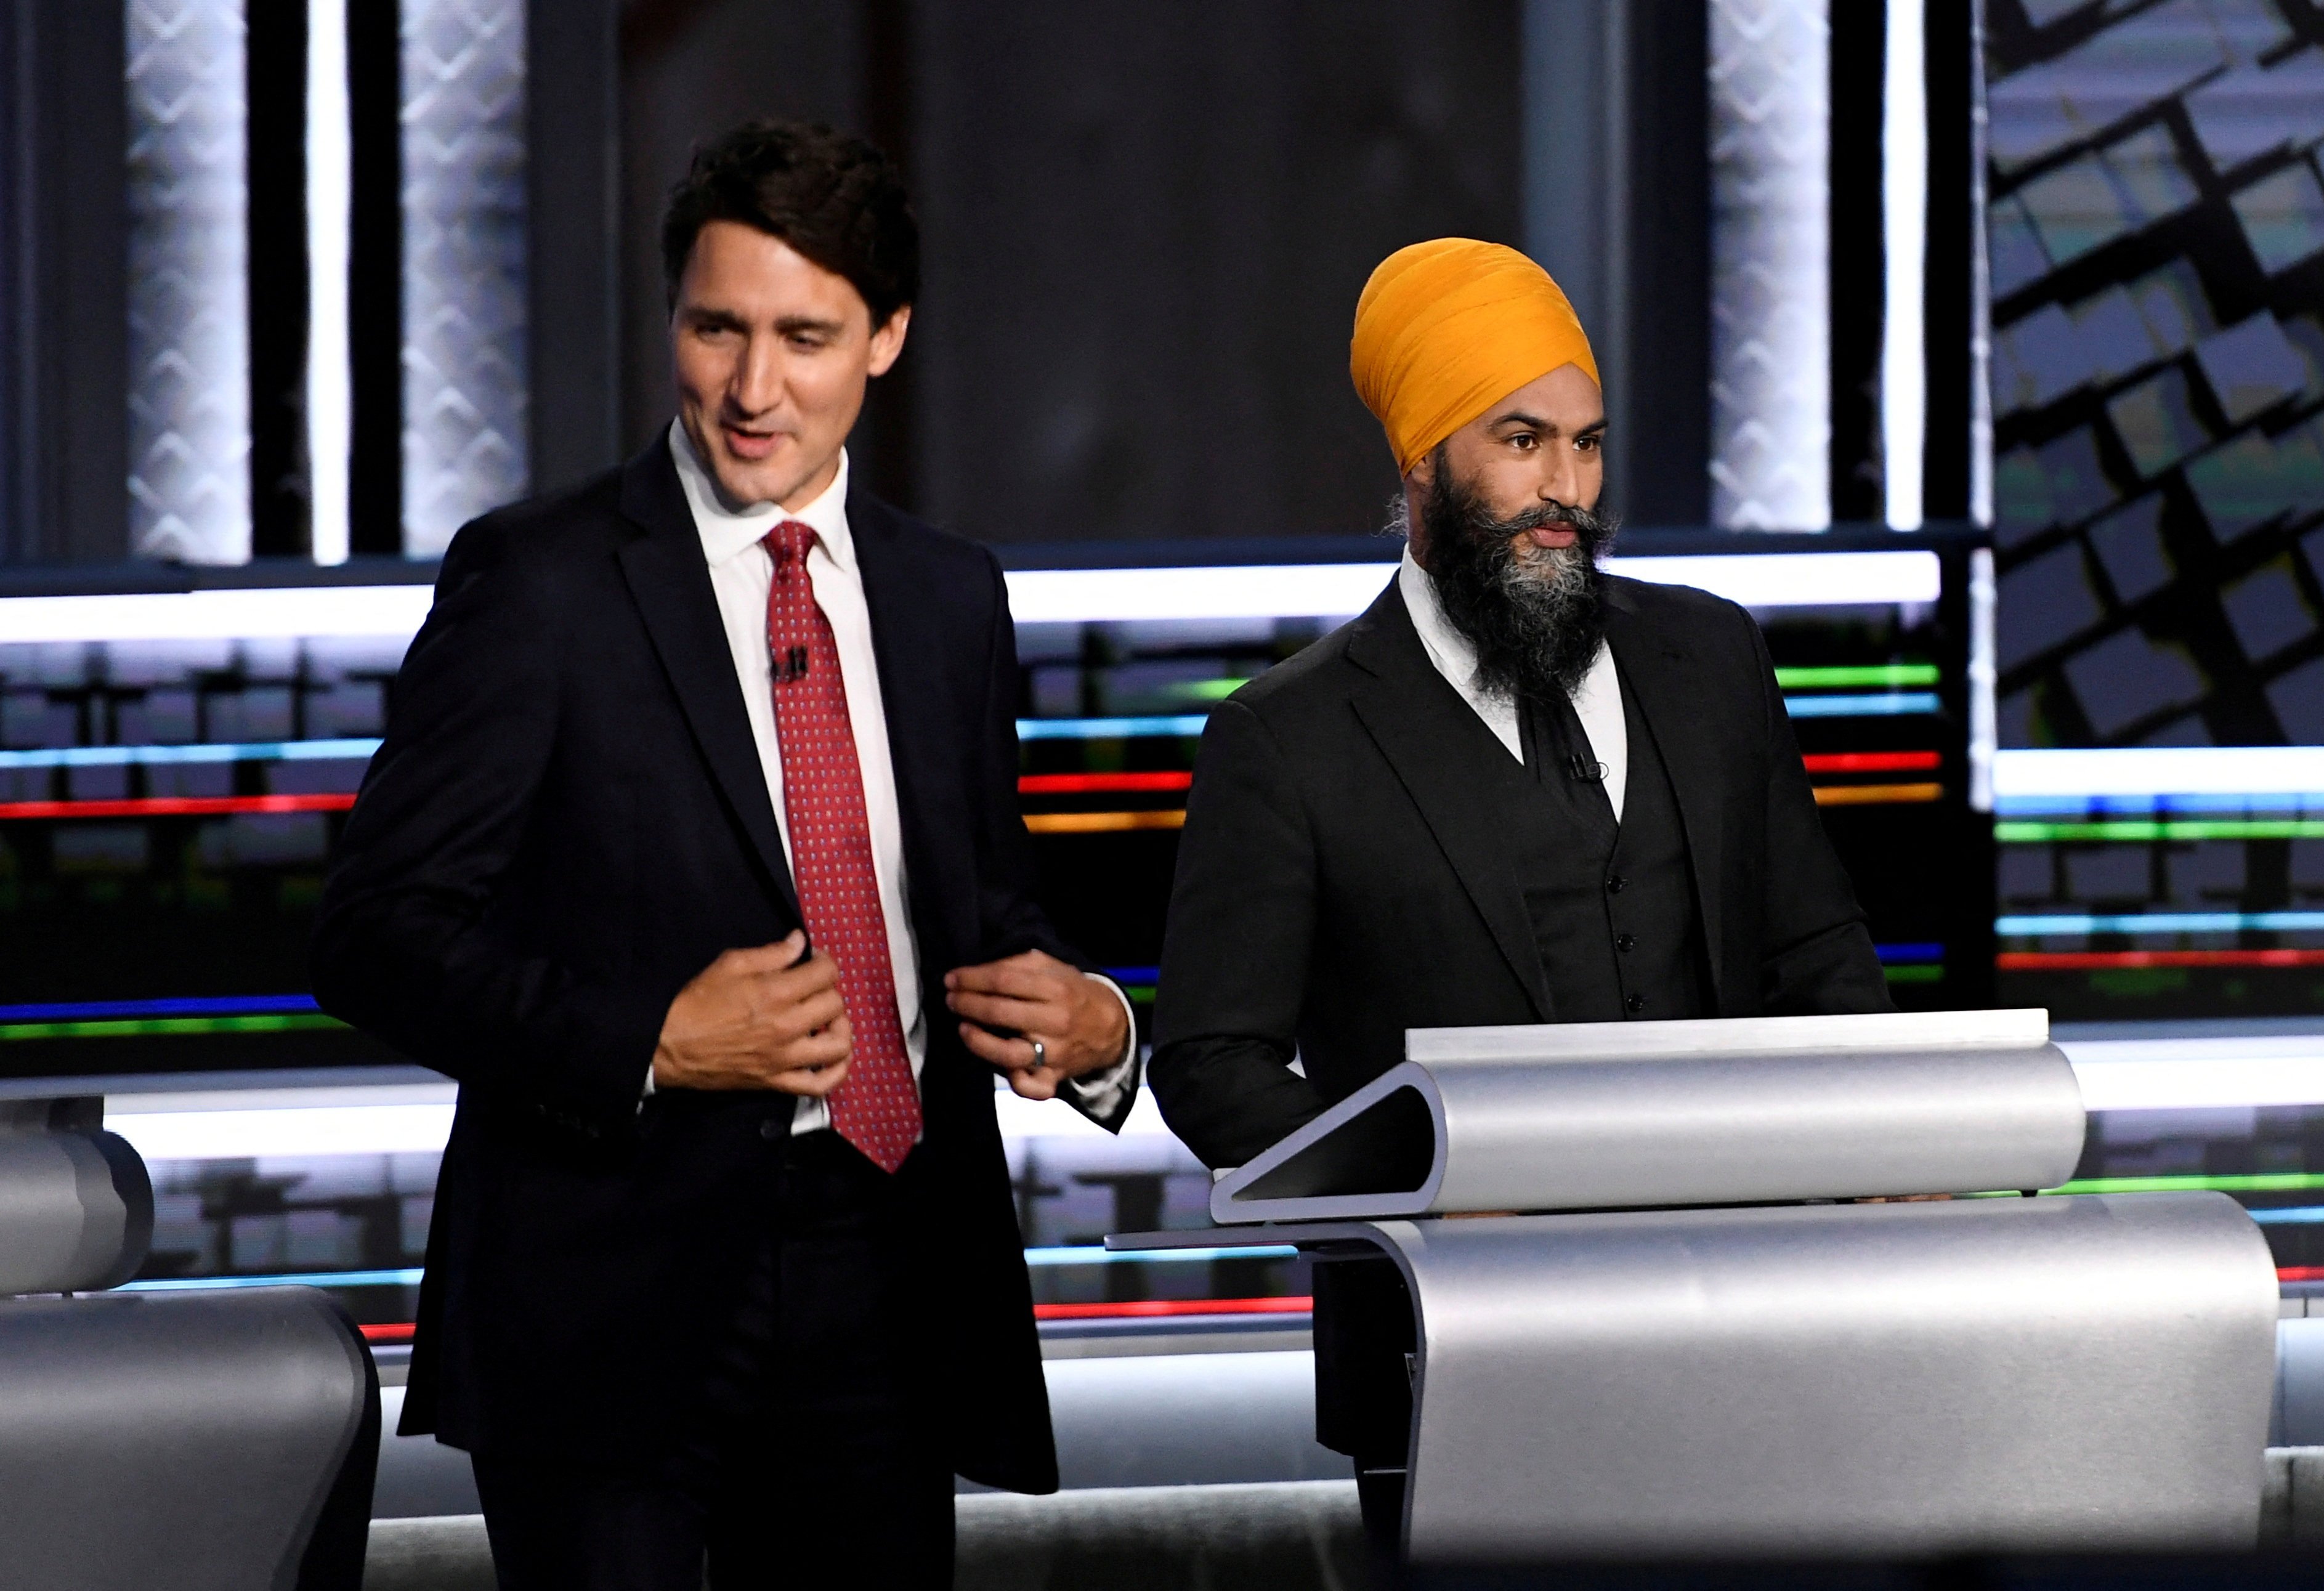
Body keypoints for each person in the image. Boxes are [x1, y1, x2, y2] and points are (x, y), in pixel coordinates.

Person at [312, 119, 1137, 1589]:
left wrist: (1095, 1026)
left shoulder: (950, 599)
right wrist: (653, 1037)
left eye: (805, 337)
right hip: (604, 1291)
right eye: (717, 329)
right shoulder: (541, 581)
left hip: (884, 1273)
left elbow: (986, 915)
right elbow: (372, 932)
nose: (753, 390)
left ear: (887, 337)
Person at [1149, 237, 1891, 1173]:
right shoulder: (1288, 738)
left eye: (1586, 444)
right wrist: (1421, 1183)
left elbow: (1816, 950)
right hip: (1455, 1296)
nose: (1566, 491)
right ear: (1422, 459)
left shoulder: (1710, 656)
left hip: (1733, 1270)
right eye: (1520, 441)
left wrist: (1873, 1149)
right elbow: (1211, 1062)